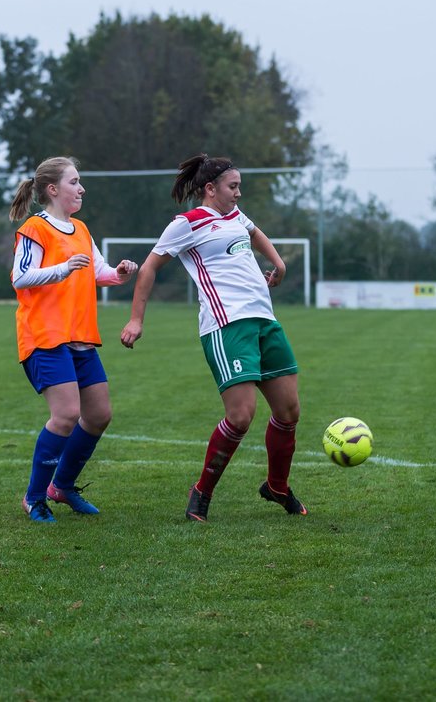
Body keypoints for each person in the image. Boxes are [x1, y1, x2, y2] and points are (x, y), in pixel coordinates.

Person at [120, 154, 306, 523]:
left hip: (264, 322)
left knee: (288, 411)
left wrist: (279, 264)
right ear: (210, 189)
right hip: (226, 325)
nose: (238, 193)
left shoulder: (236, 216)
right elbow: (149, 268)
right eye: (233, 187)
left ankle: (277, 486)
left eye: (239, 187)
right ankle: (201, 492)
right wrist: (136, 320)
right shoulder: (186, 224)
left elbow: (253, 232)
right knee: (241, 416)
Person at [9, 156, 139, 524]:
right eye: (75, 182)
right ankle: (34, 498)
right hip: (45, 335)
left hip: (79, 337)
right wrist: (62, 269)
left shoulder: (81, 230)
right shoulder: (36, 228)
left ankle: (61, 487)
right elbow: (20, 277)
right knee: (65, 414)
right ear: (53, 190)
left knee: (98, 415)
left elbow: (100, 273)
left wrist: (120, 273)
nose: (81, 188)